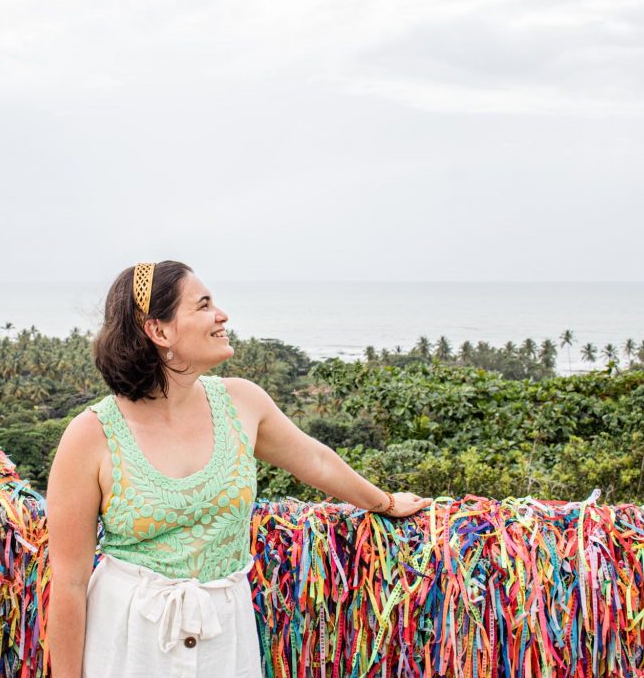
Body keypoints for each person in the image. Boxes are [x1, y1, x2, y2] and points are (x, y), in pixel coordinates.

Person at [45, 261, 433, 678]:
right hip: (128, 643)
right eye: (204, 305)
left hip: (223, 635)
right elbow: (68, 583)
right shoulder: (90, 435)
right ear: (159, 331)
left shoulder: (242, 402)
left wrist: (385, 502)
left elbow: (315, 460)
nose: (222, 315)